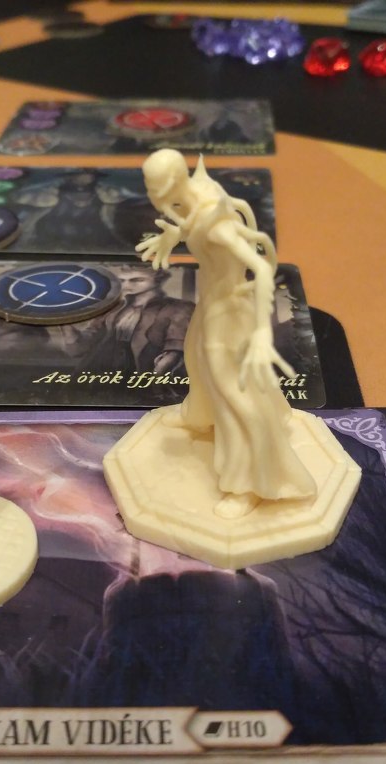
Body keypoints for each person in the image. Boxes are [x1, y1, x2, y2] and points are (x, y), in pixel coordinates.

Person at [136, 149, 317, 518]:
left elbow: (261, 270)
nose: (153, 196)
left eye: (156, 188)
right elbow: (194, 223)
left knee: (237, 397)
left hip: (229, 311)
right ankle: (200, 416)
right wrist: (174, 236)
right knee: (197, 362)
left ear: (173, 182)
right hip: (212, 303)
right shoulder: (197, 195)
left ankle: (253, 483)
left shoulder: (216, 222)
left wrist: (262, 334)